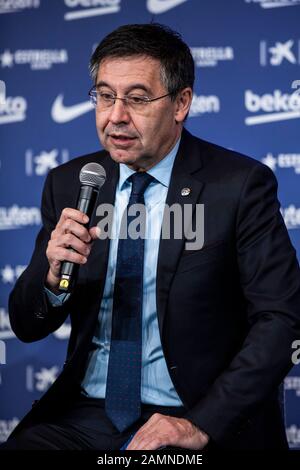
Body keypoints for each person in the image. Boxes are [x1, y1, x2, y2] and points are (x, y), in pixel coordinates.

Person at [2, 23, 300, 451]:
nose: (115, 116)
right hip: (86, 414)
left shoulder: (238, 186)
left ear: (181, 103)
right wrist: (50, 280)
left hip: (193, 414)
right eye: (105, 96)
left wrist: (200, 425)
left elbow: (282, 319)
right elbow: (25, 327)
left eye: (137, 99)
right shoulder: (71, 183)